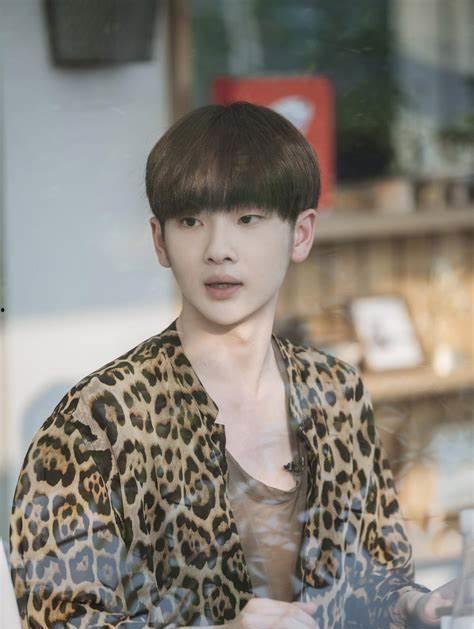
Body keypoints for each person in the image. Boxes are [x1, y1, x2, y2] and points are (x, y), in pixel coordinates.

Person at [9, 102, 455, 628]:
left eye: (247, 219)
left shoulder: (336, 390)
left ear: (301, 234)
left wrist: (414, 604)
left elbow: (373, 576)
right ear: (160, 241)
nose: (218, 249)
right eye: (190, 221)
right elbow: (59, 620)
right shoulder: (97, 422)